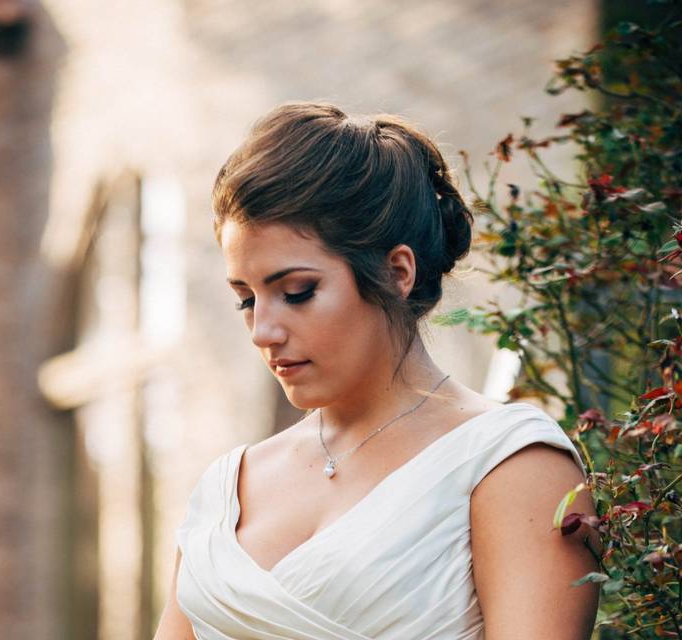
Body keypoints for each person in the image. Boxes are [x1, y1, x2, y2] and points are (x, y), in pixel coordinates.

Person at [153, 102, 600, 640]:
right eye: (246, 300)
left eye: (296, 292)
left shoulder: (512, 467)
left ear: (396, 272)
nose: (263, 330)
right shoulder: (226, 489)